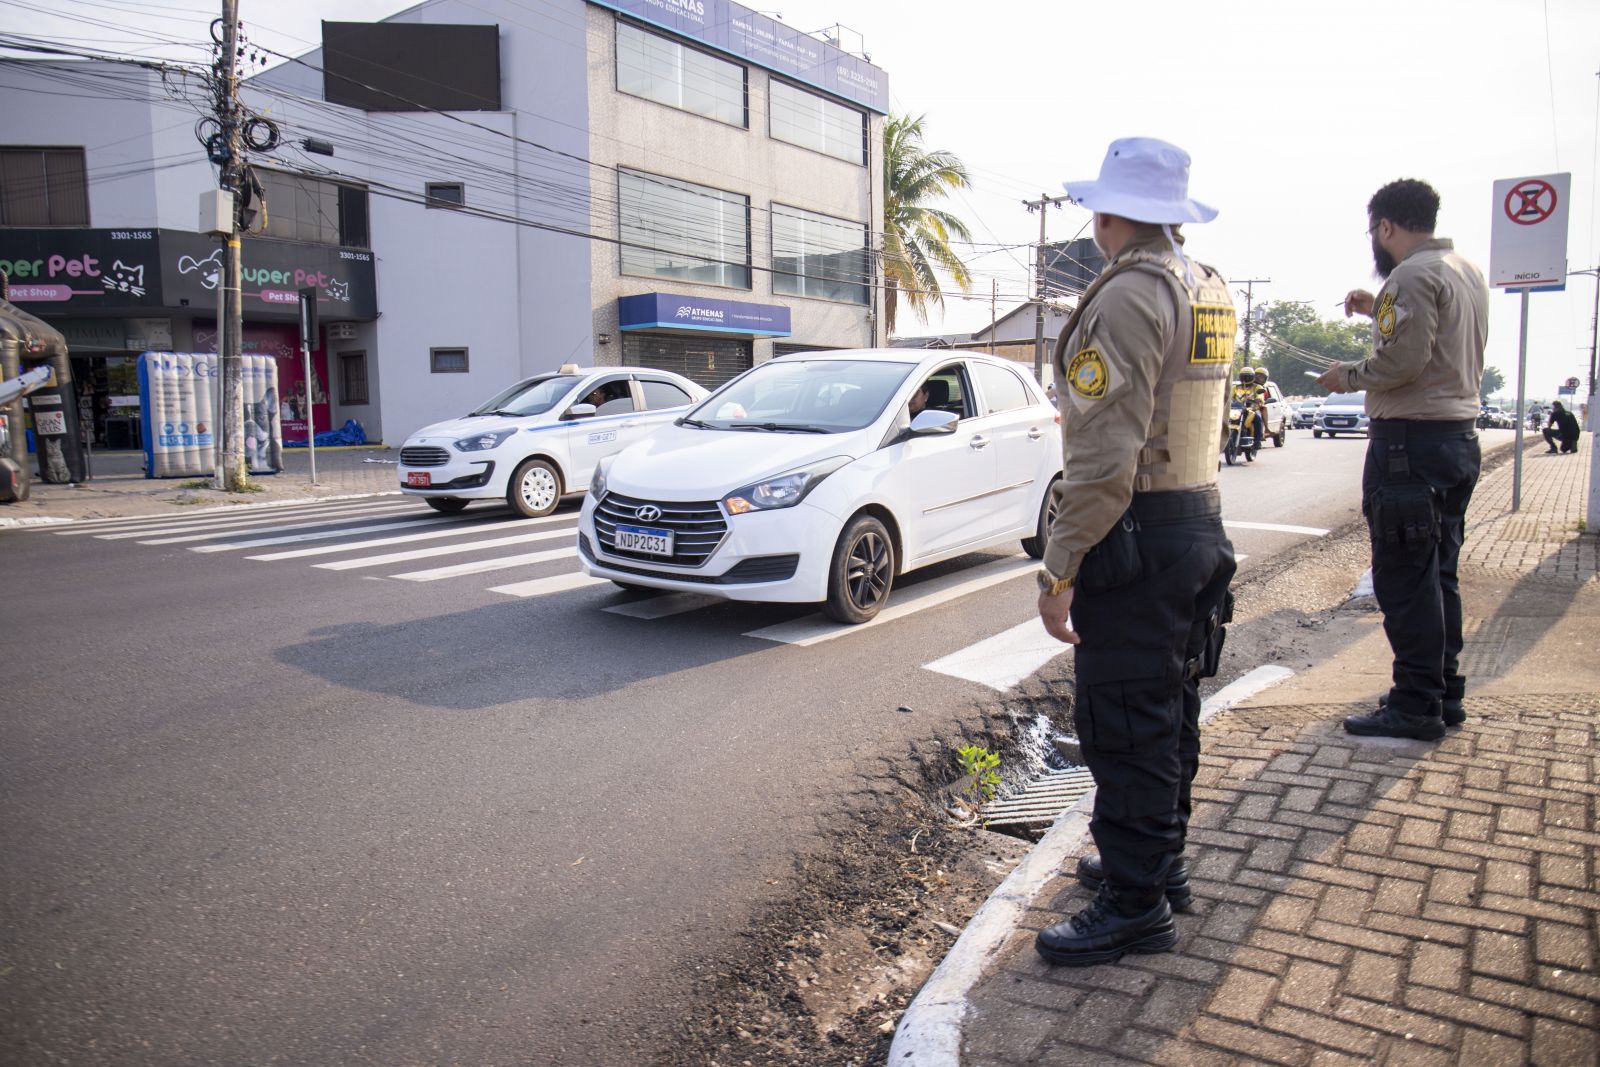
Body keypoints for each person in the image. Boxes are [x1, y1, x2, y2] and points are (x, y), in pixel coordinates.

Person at [1032, 138, 1238, 967]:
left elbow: (1103, 456)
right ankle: (1158, 863)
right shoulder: (1203, 282)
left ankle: (1135, 902)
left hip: (1138, 532)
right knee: (1168, 708)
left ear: (1109, 212)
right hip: (1195, 518)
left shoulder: (1129, 296)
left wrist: (1059, 567)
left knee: (1125, 721)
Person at [1315, 178, 1488, 740]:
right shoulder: (1463, 270)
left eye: (1373, 230)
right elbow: (1433, 347)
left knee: (1405, 580)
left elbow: (1403, 365)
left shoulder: (1408, 276)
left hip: (1409, 448)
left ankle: (1416, 705)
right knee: (1438, 574)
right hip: (1455, 439)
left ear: (1386, 226)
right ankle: (1443, 691)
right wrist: (1377, 314)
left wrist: (1346, 376)